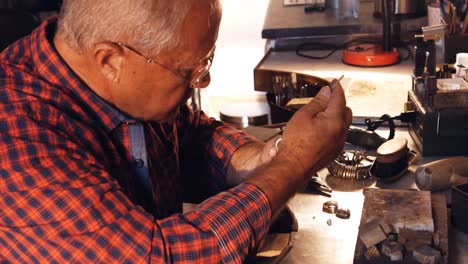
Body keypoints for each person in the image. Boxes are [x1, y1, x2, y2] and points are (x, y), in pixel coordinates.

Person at [0, 0, 352, 262]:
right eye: (190, 71)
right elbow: (160, 256)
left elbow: (186, 133)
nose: (204, 81)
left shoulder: (108, 83)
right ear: (109, 60)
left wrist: (257, 159)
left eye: (207, 61)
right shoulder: (14, 140)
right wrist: (291, 165)